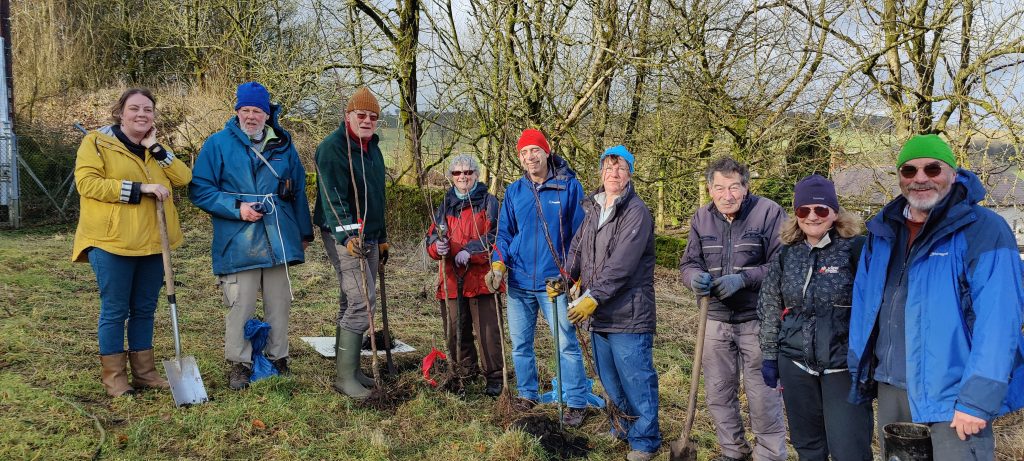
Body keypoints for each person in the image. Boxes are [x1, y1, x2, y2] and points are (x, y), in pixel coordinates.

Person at [848, 134, 1024, 459]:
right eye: (909, 170)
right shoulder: (883, 232)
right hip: (892, 387)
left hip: (954, 398)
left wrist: (977, 400)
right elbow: (865, 305)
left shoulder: (984, 230)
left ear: (952, 173)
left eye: (932, 168)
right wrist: (860, 367)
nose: (920, 179)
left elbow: (1000, 321)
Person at [189, 81, 314, 390]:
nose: (250, 116)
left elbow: (297, 190)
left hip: (278, 236)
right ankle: (240, 364)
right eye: (244, 109)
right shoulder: (217, 144)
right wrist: (236, 208)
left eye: (257, 110)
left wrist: (303, 232)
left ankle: (276, 358)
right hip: (237, 239)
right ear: (237, 111)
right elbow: (201, 189)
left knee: (279, 302)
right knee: (239, 304)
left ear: (267, 114)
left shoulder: (284, 145)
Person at [72, 88, 192, 397]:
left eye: (148, 110)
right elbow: (87, 183)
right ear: (120, 112)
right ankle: (115, 378)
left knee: (144, 309)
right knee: (115, 310)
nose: (142, 114)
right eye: (135, 108)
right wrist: (140, 188)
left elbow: (183, 178)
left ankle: (145, 373)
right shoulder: (97, 143)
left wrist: (156, 148)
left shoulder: (155, 149)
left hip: (154, 242)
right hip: (111, 242)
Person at [756, 174, 872, 461]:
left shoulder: (856, 250)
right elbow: (770, 305)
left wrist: (870, 358)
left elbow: (873, 309)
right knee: (808, 447)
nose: (812, 216)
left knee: (849, 449)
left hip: (842, 368)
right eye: (803, 210)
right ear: (796, 215)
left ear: (834, 212)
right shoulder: (787, 255)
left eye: (820, 209)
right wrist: (770, 356)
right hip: (795, 364)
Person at [679, 157, 788, 461]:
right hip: (713, 320)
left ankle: (769, 455)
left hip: (758, 320)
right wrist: (694, 280)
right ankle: (733, 451)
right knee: (718, 392)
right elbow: (689, 262)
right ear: (710, 189)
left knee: (763, 395)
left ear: (746, 187)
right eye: (720, 188)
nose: (727, 195)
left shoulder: (768, 213)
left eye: (734, 188)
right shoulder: (701, 218)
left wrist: (744, 279)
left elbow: (783, 264)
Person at [484, 128, 590, 427]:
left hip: (553, 281)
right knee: (520, 344)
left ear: (546, 152)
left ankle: (576, 401)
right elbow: (504, 234)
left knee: (565, 343)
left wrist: (571, 275)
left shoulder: (568, 187)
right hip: (518, 281)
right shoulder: (516, 191)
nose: (530, 157)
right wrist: (498, 265)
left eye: (534, 150)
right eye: (523, 153)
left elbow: (579, 236)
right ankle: (527, 394)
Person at [566, 146, 660, 461]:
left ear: (629, 173)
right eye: (608, 168)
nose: (613, 173)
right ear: (601, 172)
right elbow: (578, 247)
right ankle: (621, 426)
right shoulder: (594, 208)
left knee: (636, 377)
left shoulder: (636, 211)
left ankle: (645, 440)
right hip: (599, 313)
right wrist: (565, 277)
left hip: (628, 313)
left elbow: (621, 265)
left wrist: (591, 297)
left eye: (620, 168)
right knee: (609, 378)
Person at [313, 87, 390, 399]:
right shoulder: (333, 148)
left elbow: (378, 197)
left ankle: (352, 369)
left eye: (373, 117)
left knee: (352, 299)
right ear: (348, 116)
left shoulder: (373, 148)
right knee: (362, 298)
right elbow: (334, 198)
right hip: (343, 235)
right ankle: (345, 378)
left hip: (369, 235)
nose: (368, 120)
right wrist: (347, 236)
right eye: (361, 115)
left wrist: (381, 238)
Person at [424, 154, 505, 396]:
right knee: (455, 329)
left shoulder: (490, 203)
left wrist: (471, 252)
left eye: (468, 172)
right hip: (450, 279)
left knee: (488, 332)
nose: (463, 177)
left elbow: (497, 238)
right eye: (457, 173)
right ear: (451, 177)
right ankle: (464, 373)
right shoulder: (445, 205)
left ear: (476, 175)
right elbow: (433, 236)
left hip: (482, 279)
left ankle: (495, 379)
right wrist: (436, 248)